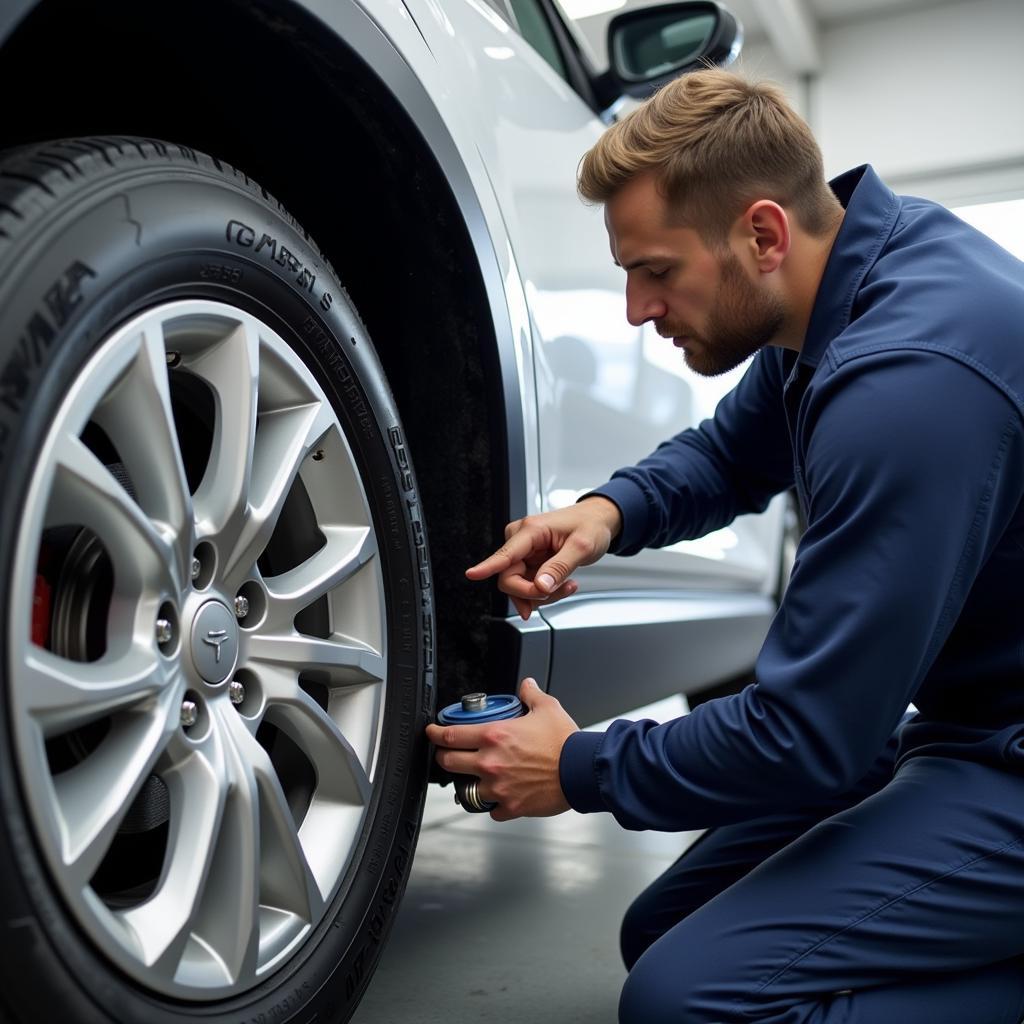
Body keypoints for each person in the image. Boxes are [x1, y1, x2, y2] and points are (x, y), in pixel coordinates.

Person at [424, 67, 1024, 1024]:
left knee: (689, 1003)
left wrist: (577, 766)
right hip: (958, 726)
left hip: (1004, 759)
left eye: (656, 271)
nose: (633, 309)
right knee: (661, 930)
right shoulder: (843, 285)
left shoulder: (909, 385)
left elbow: (808, 734)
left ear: (761, 234)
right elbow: (731, 454)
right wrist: (607, 512)